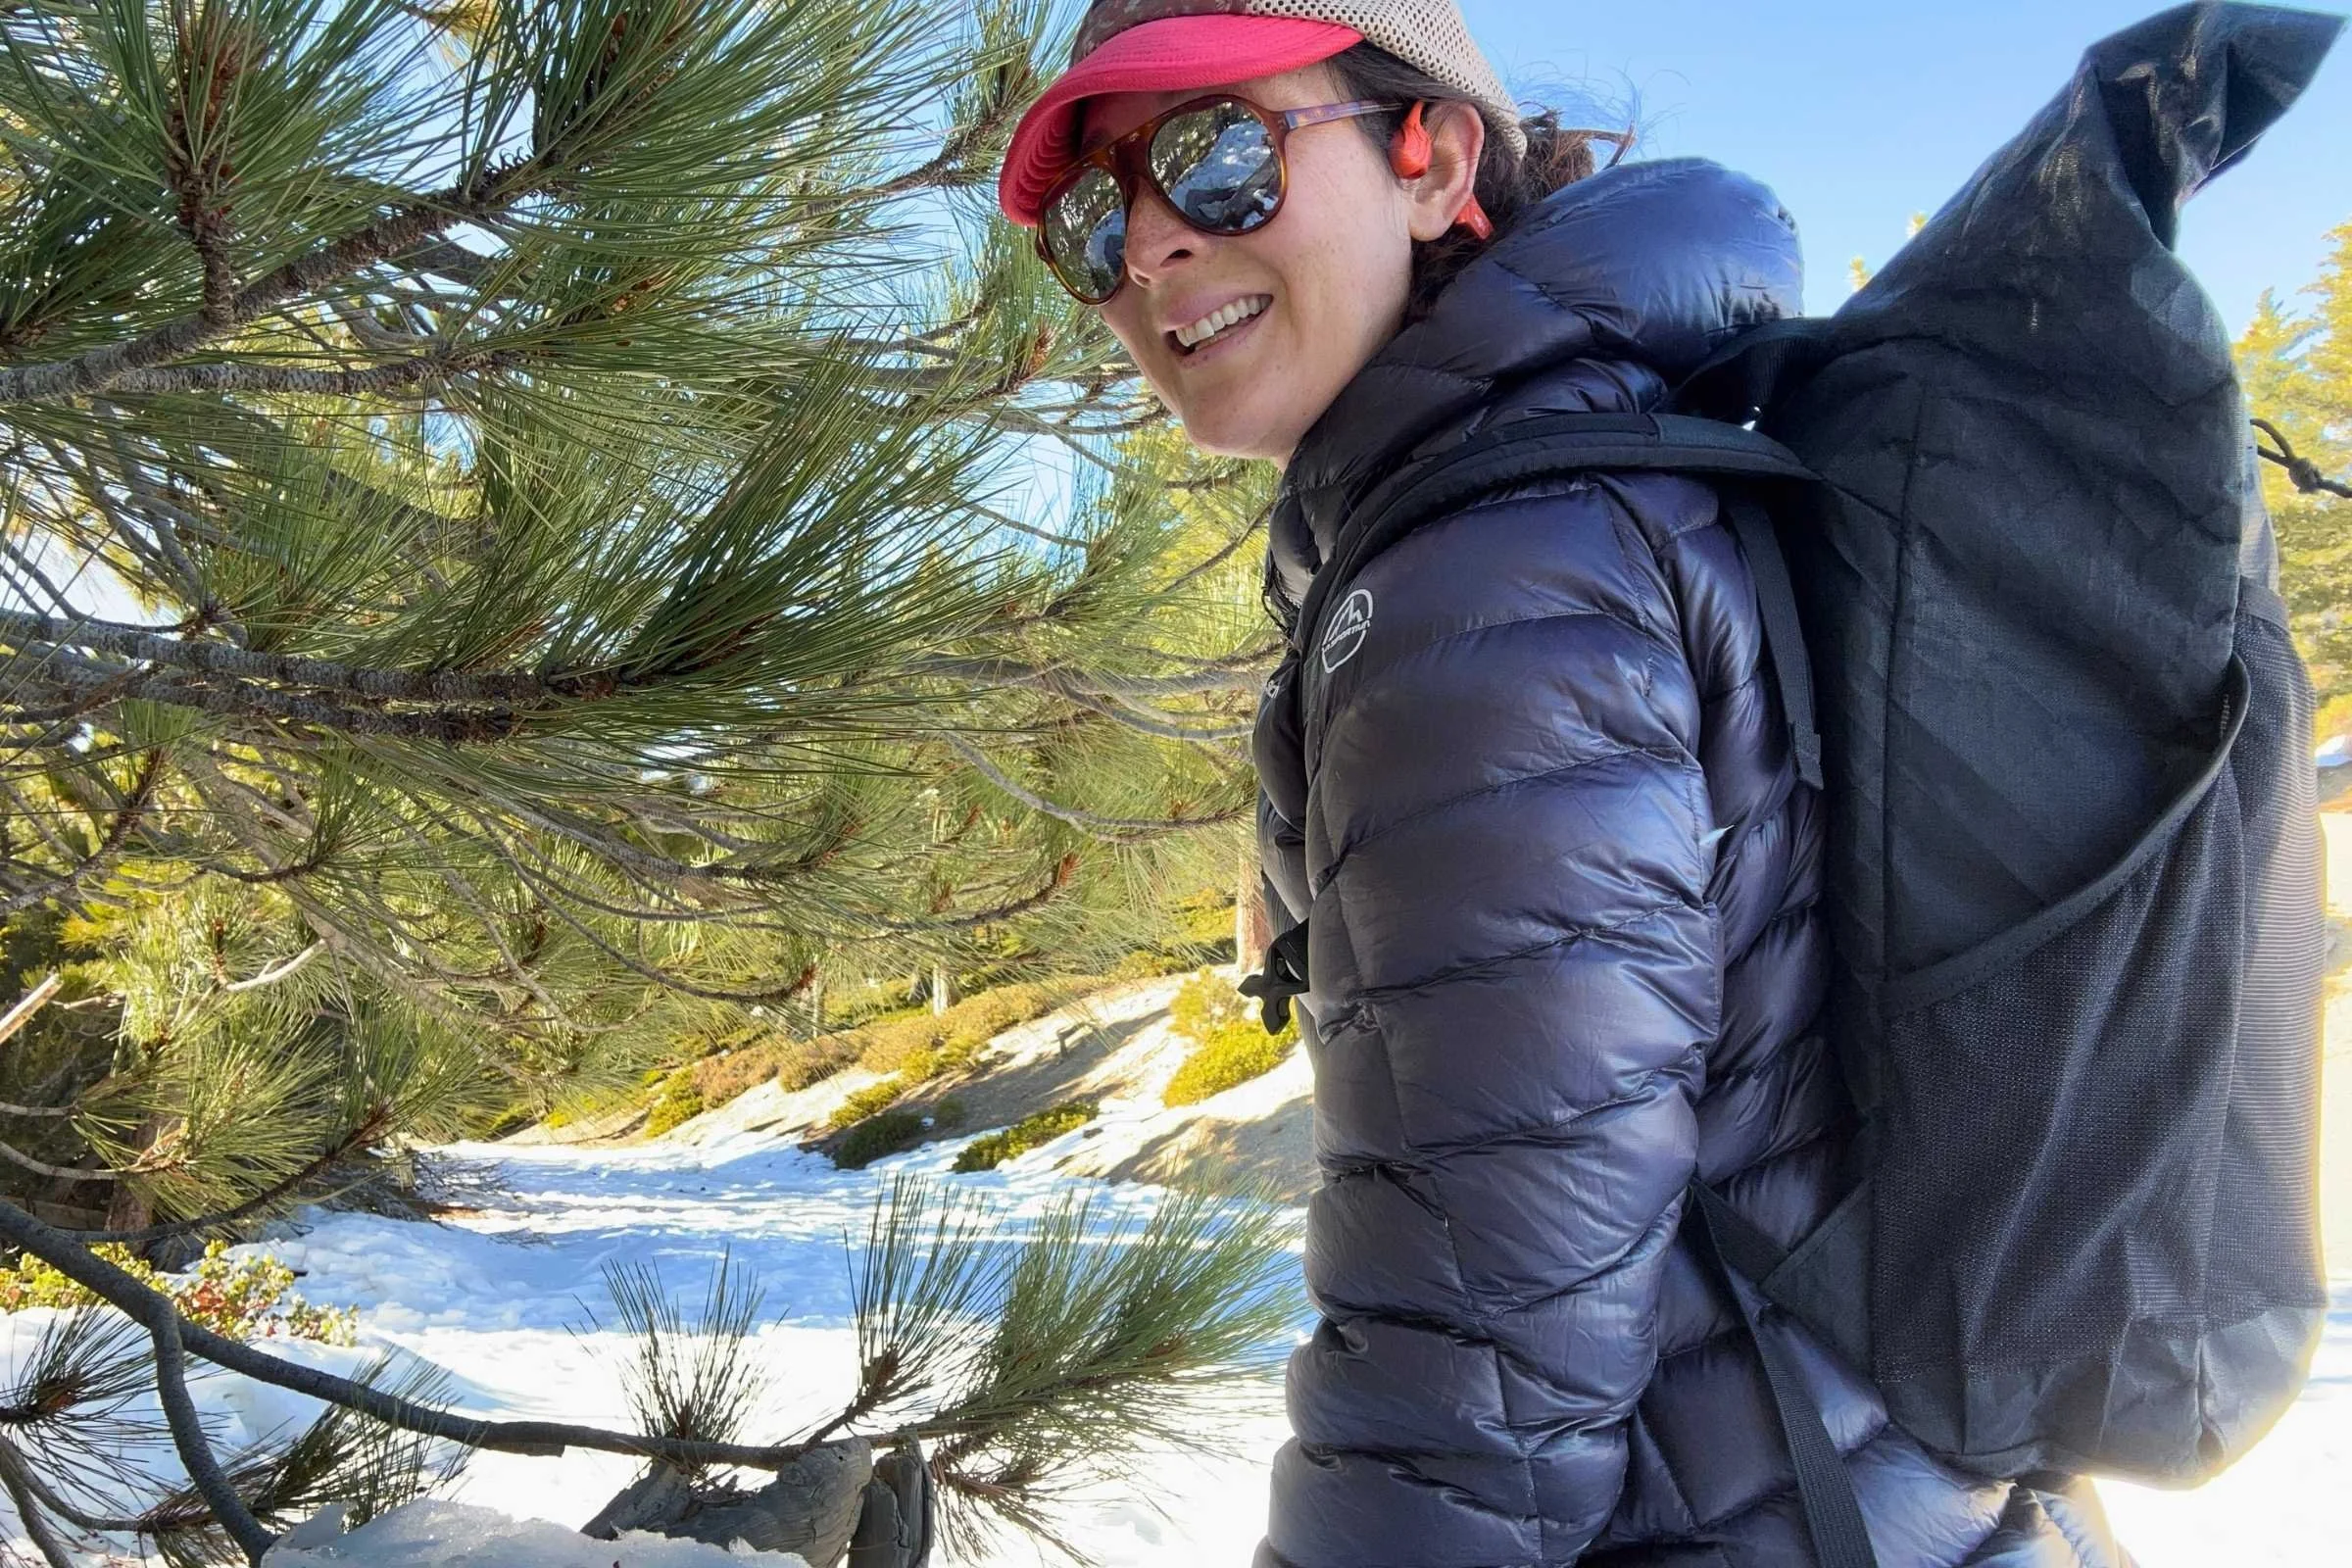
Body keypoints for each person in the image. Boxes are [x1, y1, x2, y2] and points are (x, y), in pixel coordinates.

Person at [999, 5, 2134, 1565]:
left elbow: (1478, 1359)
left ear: (1430, 160)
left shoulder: (1491, 581)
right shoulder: (1620, 464)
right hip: (1911, 1494)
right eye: (1091, 213)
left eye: (1215, 154)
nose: (1144, 246)